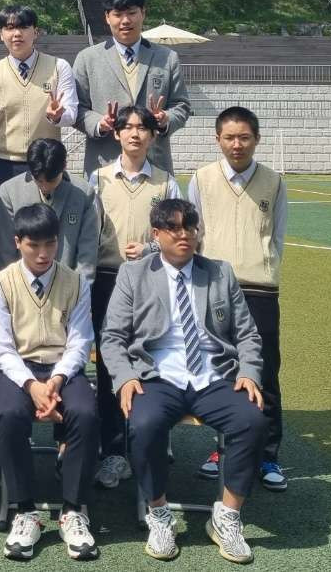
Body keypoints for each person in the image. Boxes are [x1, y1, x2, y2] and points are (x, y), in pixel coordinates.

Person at [101, 199, 268, 564]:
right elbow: (112, 337)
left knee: (253, 420)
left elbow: (248, 335)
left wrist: (248, 373)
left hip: (213, 374)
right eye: (175, 228)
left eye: (191, 227)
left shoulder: (220, 273)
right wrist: (125, 377)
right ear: (156, 234)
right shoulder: (133, 274)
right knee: (144, 423)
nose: (185, 235)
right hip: (157, 375)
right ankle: (159, 513)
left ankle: (227, 516)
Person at [0, 203, 99, 561]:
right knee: (10, 414)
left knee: (85, 412)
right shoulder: (0, 283)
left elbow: (80, 341)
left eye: (50, 243)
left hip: (63, 369)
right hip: (18, 369)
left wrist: (58, 378)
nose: (43, 253)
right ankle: (25, 511)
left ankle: (73, 510)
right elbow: (2, 349)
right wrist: (32, 386)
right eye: (34, 245)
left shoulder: (75, 281)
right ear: (18, 242)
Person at [187, 106, 289, 493]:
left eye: (244, 137)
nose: (237, 144)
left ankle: (268, 455)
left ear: (256, 139)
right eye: (229, 137)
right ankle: (223, 449)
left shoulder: (274, 182)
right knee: (219, 370)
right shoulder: (201, 179)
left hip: (260, 289)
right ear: (217, 140)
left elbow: (276, 237)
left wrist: (263, 268)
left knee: (266, 370)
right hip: (213, 287)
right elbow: (194, 233)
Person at [87, 105, 183, 490]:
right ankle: (112, 450)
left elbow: (180, 236)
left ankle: (149, 439)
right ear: (116, 134)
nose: (134, 134)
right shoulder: (97, 178)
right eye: (127, 127)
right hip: (106, 279)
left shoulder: (165, 183)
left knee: (149, 360)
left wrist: (150, 250)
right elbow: (87, 233)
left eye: (142, 128)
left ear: (153, 135)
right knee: (109, 366)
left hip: (151, 280)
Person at [0, 4, 77, 210]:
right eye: (9, 28)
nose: (16, 33)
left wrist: (57, 116)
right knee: (5, 228)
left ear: (36, 32)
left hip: (47, 164)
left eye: (23, 27)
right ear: (1, 34)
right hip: (5, 165)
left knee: (50, 227)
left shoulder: (59, 67)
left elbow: (72, 113)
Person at [72, 0, 191, 178]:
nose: (125, 20)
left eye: (132, 13)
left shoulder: (167, 58)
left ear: (143, 13)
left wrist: (165, 119)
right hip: (104, 167)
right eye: (118, 14)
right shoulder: (87, 58)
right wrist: (99, 123)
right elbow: (76, 108)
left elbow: (182, 105)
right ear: (107, 17)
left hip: (155, 166)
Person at [0, 138, 100, 278]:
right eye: (39, 181)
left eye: (51, 180)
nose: (45, 186)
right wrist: (10, 285)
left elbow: (88, 250)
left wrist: (80, 287)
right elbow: (6, 251)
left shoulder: (84, 193)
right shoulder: (10, 191)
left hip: (68, 282)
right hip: (22, 282)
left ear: (64, 166)